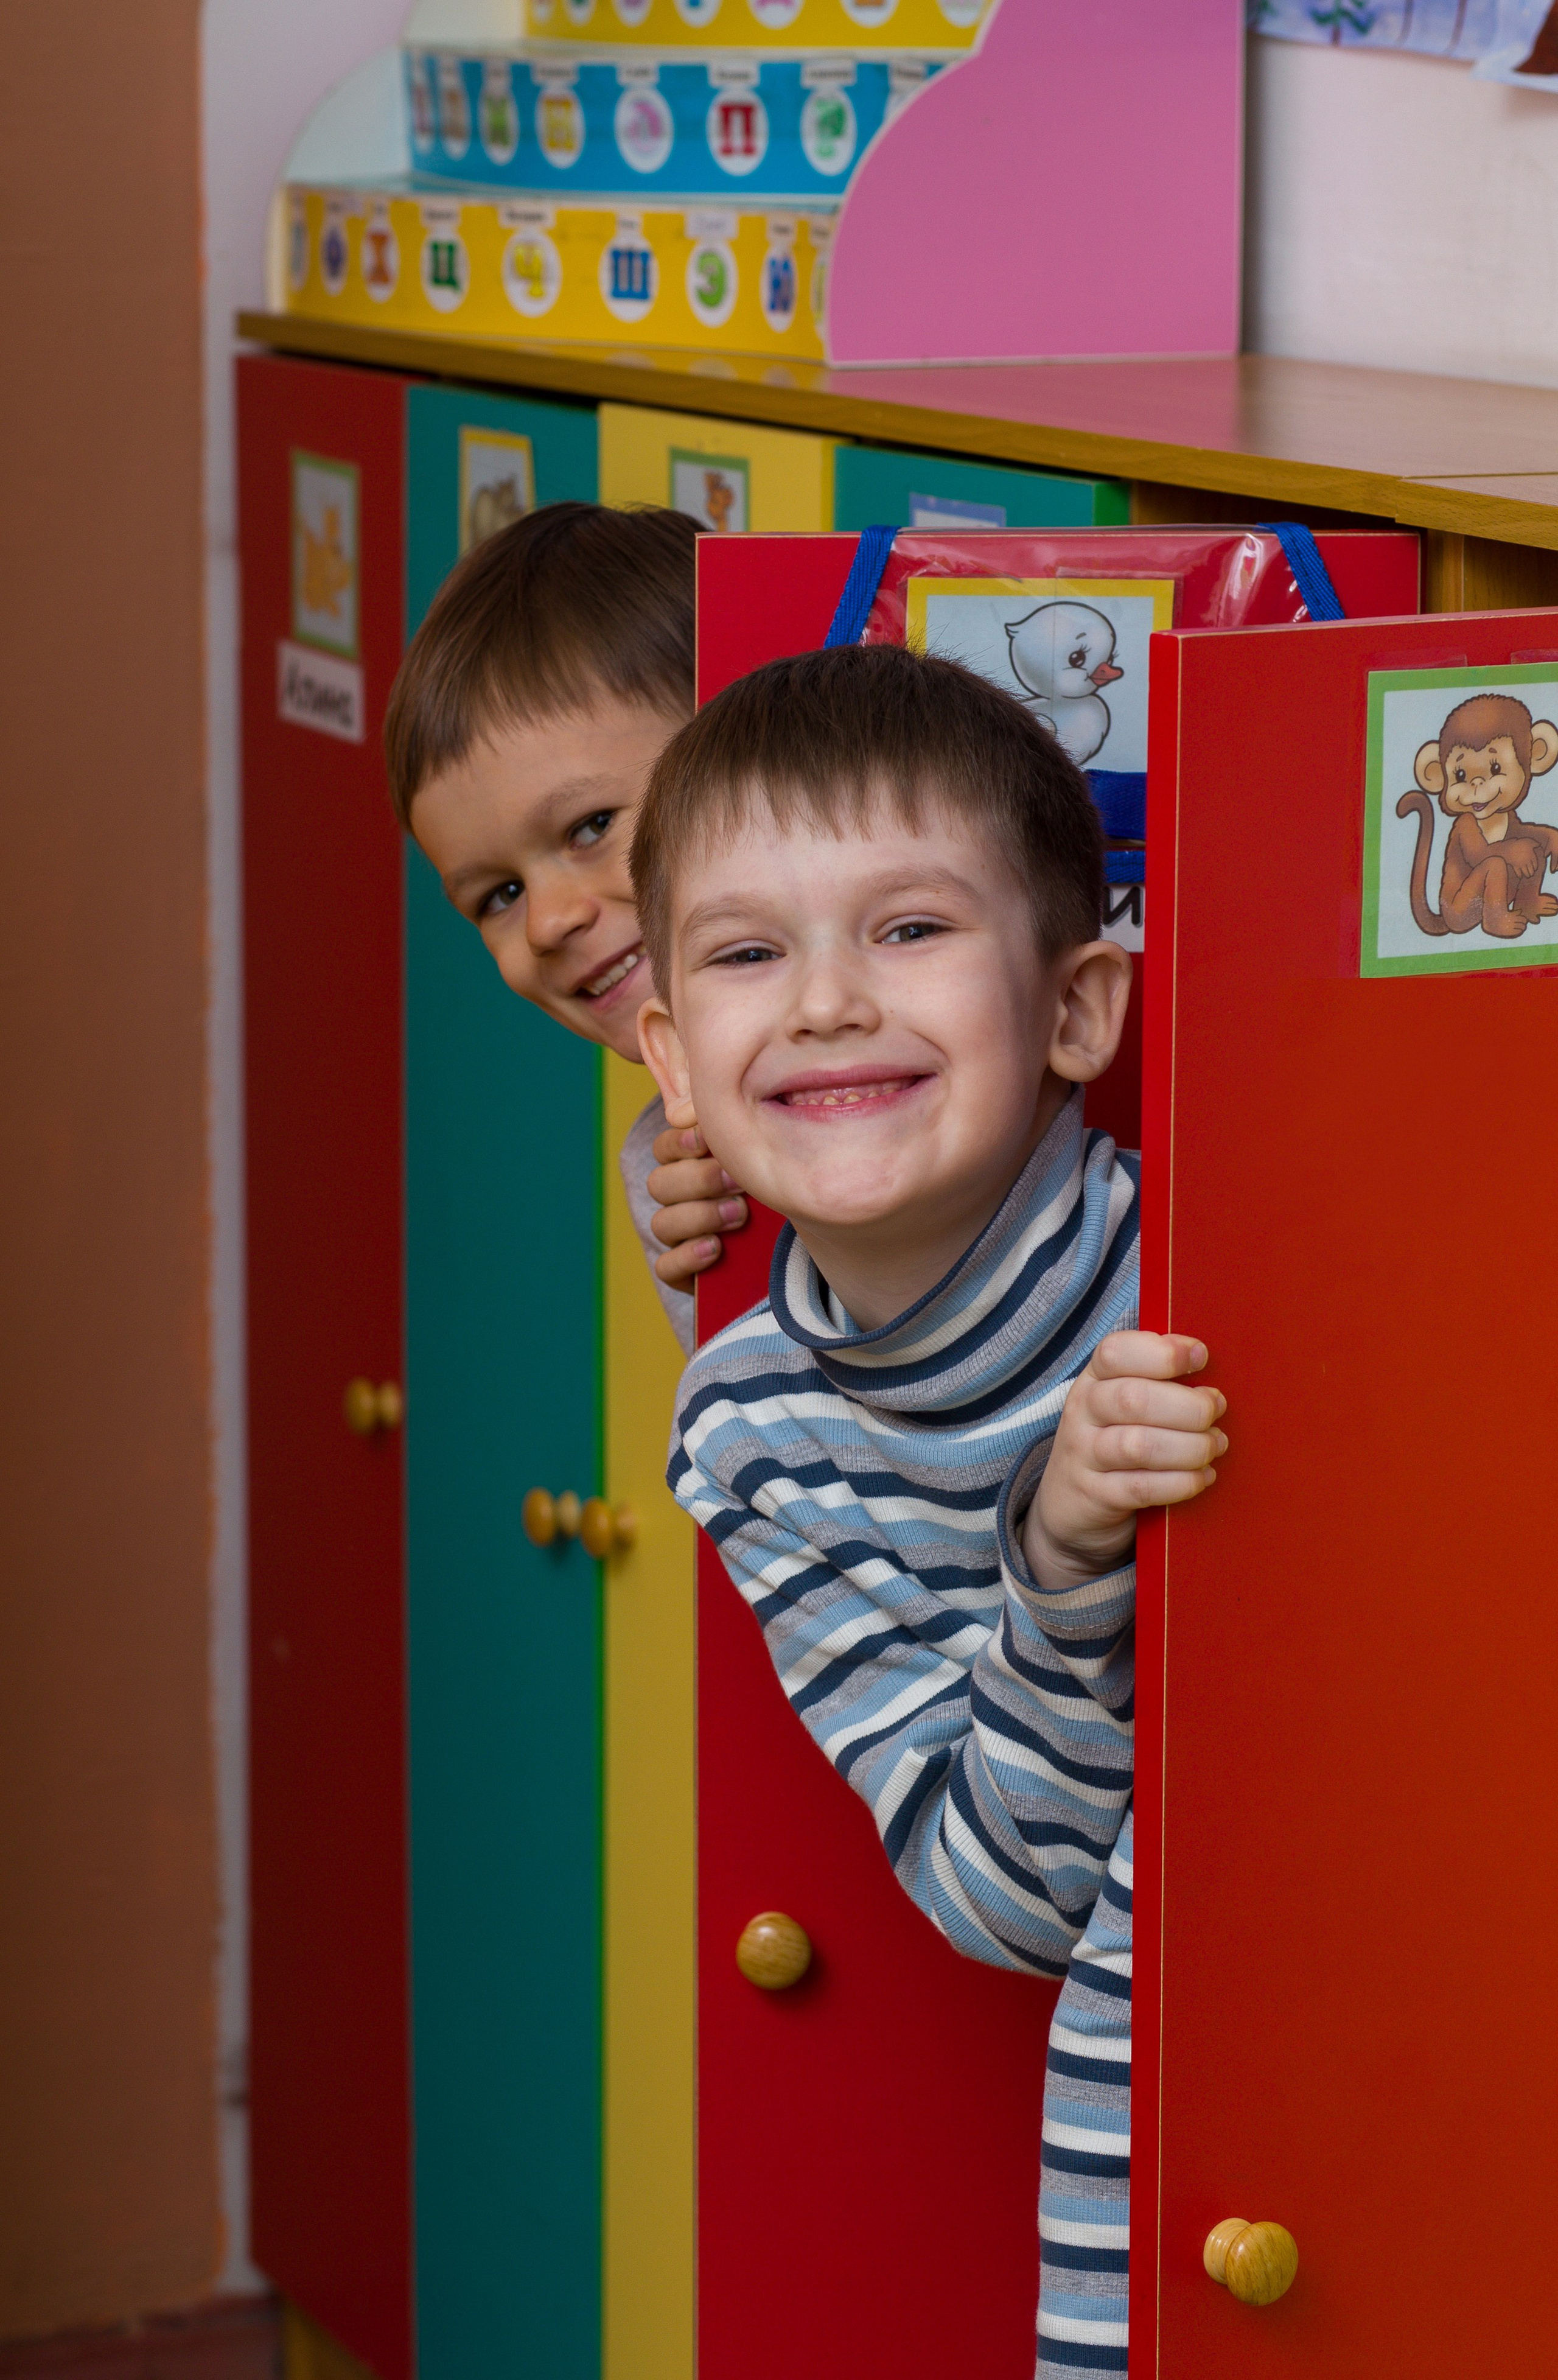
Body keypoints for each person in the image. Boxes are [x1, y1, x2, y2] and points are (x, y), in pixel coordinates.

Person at [632, 643, 1228, 2379]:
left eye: (908, 928)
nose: (823, 1001)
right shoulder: (749, 1428)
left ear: (1074, 1007)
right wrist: (1060, 1560)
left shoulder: (1222, 1261)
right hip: (1157, 2168)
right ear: (673, 1052)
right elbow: (1005, 1895)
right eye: (750, 951)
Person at [383, 500, 746, 1349]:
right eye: (498, 895)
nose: (547, 922)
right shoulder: (670, 1161)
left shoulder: (926, 1039)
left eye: (589, 827)